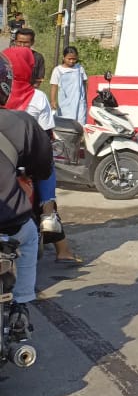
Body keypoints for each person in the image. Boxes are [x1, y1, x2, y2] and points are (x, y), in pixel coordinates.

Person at [3, 46, 80, 264]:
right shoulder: (37, 97)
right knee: (48, 166)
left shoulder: (3, 92)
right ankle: (48, 213)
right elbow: (46, 138)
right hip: (27, 157)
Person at [0, 53, 54, 342]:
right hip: (11, 224)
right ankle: (21, 305)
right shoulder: (22, 123)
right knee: (31, 235)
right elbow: (44, 167)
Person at [50, 45, 88, 123]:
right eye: (69, 59)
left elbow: (84, 83)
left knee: (81, 122)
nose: (71, 61)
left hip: (80, 101)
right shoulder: (58, 70)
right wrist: (53, 101)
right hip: (65, 102)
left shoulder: (80, 68)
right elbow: (54, 86)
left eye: (73, 59)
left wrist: (85, 98)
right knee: (66, 121)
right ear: (64, 57)